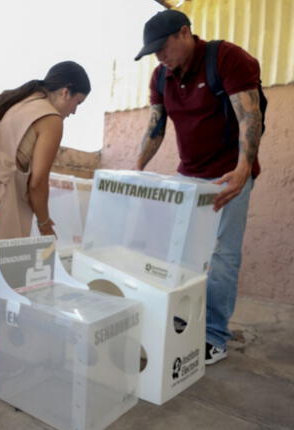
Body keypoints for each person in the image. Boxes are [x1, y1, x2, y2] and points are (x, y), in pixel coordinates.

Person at [134, 10, 264, 365]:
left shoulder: (226, 58)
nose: (159, 57)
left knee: (222, 254)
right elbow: (155, 127)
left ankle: (214, 335)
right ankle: (183, 318)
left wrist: (242, 170)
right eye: (153, 52)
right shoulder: (161, 76)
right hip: (188, 173)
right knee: (180, 250)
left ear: (185, 33)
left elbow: (250, 117)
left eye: (162, 47)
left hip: (227, 174)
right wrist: (135, 171)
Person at [0, 61, 91, 377]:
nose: (74, 111)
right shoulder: (50, 119)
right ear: (65, 91)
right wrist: (44, 223)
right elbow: (37, 183)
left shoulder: (10, 98)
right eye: (77, 103)